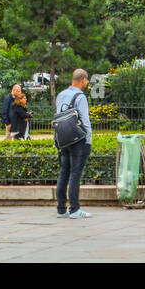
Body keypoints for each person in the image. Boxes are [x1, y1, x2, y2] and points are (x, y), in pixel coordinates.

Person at [54, 70, 93, 219]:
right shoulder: (80, 96)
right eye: (86, 81)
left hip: (63, 139)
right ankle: (75, 209)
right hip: (78, 140)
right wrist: (88, 140)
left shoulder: (61, 94)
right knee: (75, 174)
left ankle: (61, 209)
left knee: (64, 173)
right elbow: (85, 120)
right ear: (83, 80)